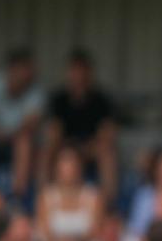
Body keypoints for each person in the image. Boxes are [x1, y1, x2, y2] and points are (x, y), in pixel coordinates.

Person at [40, 50, 117, 200]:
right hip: (65, 146)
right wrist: (68, 147)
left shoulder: (101, 100)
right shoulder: (59, 100)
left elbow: (107, 133)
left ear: (89, 73)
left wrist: (85, 148)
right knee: (46, 150)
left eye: (82, 70)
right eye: (74, 70)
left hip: (91, 148)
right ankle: (43, 197)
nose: (78, 75)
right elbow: (54, 131)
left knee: (107, 152)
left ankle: (109, 203)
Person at [35, 146, 103, 241]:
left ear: (80, 168)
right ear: (56, 168)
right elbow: (43, 229)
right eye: (64, 164)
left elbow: (96, 230)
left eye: (72, 164)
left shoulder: (93, 196)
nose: (69, 170)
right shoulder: (46, 196)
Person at [0, 49, 44, 202]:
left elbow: (28, 128)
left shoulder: (35, 91)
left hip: (18, 145)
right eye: (26, 69)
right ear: (13, 69)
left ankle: (17, 199)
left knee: (24, 141)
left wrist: (0, 133)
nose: (30, 74)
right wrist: (6, 134)